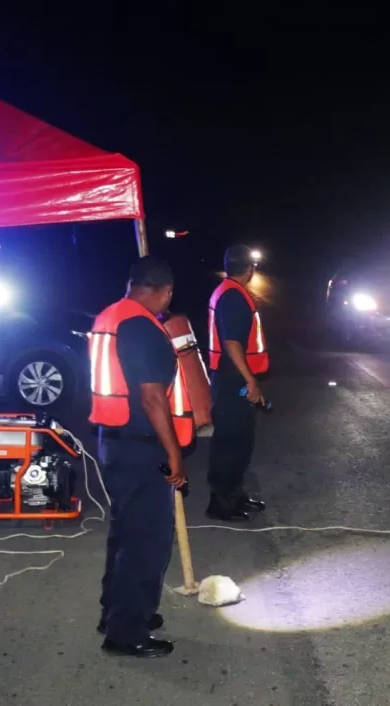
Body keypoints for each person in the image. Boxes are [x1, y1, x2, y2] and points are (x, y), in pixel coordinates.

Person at [89, 256, 194, 658]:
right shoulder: (142, 327)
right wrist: (175, 455)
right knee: (145, 543)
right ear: (165, 291)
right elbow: (153, 398)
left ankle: (117, 613)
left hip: (113, 441)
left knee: (124, 535)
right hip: (140, 447)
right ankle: (126, 633)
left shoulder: (109, 316)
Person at [206, 244, 270, 521]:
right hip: (233, 381)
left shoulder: (228, 291)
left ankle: (235, 495)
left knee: (241, 440)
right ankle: (221, 503)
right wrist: (250, 381)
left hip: (233, 380)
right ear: (250, 269)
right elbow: (232, 343)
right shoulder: (233, 296)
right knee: (231, 442)